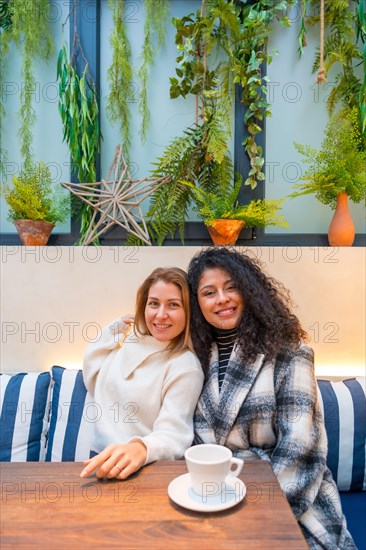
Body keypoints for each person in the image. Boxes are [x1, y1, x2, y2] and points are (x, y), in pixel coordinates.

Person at [187, 247, 355, 550]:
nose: (222, 299)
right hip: (212, 495)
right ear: (197, 304)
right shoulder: (194, 359)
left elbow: (301, 447)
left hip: (288, 495)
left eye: (231, 287)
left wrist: (258, 514)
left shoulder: (290, 351)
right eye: (209, 292)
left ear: (250, 290)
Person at [80, 267, 204, 481]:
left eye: (173, 305)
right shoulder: (130, 341)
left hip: (142, 466)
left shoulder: (185, 365)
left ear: (189, 312)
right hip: (98, 459)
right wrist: (113, 329)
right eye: (154, 303)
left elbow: (174, 434)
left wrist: (139, 448)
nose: (160, 314)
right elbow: (93, 377)